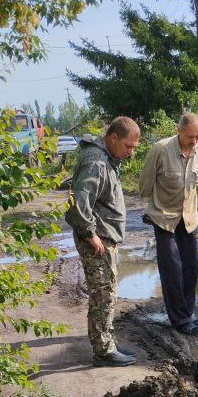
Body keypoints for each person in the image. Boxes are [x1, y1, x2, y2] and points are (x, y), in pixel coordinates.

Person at [65, 116, 141, 367]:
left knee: (107, 291)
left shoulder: (106, 157)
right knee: (103, 294)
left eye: (134, 148)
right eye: (128, 146)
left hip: (104, 236)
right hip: (97, 240)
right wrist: (91, 235)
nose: (131, 152)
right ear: (113, 138)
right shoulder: (96, 162)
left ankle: (107, 342)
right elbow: (79, 205)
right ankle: (103, 352)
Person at [138, 111, 198, 335]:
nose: (194, 141)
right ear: (179, 131)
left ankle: (188, 312)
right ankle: (180, 319)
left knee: (191, 268)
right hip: (164, 218)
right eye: (190, 136)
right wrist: (153, 209)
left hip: (188, 218)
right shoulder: (160, 149)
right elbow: (145, 185)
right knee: (173, 270)